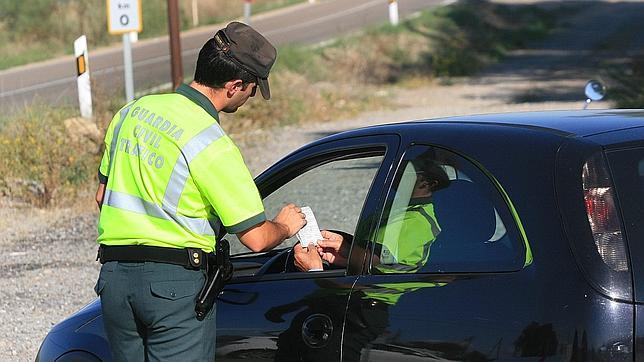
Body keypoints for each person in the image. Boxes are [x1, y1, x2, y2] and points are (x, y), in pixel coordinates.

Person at [93, 22, 306, 361]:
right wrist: (285, 225)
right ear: (235, 85)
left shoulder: (131, 113)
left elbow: (102, 197)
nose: (251, 97)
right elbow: (255, 238)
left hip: (115, 281)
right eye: (253, 89)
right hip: (172, 287)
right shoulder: (211, 141)